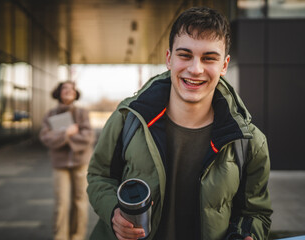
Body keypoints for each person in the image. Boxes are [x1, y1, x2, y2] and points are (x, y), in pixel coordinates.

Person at [87, 6, 272, 240]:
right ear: (169, 59)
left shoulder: (249, 141)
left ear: (224, 65)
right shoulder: (128, 119)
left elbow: (256, 213)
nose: (195, 69)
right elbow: (99, 176)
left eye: (209, 58)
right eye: (185, 55)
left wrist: (246, 235)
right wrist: (114, 211)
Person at [39, 81, 94, 240]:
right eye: (65, 88)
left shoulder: (82, 113)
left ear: (76, 93)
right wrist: (67, 134)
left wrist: (60, 137)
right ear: (58, 92)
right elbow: (45, 137)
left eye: (72, 88)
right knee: (61, 204)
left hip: (80, 163)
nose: (69, 91)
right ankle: (60, 237)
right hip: (60, 165)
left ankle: (77, 237)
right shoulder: (50, 114)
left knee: (80, 202)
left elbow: (88, 137)